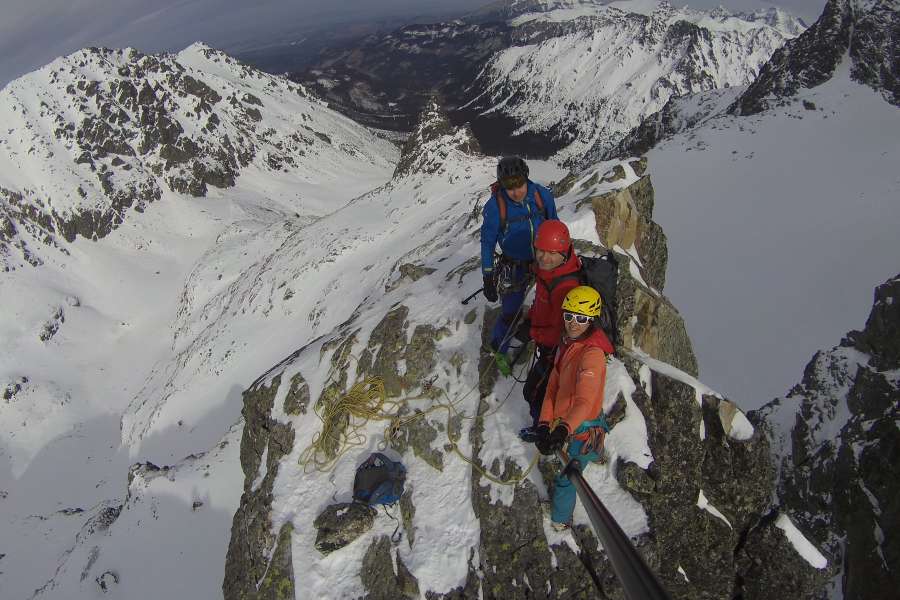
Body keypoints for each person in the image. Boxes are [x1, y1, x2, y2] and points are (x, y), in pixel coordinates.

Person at [534, 286, 614, 531]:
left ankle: (560, 521)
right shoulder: (567, 344)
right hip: (567, 425)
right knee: (568, 474)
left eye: (581, 318)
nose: (573, 323)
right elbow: (553, 387)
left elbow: (584, 401)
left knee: (567, 480)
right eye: (569, 316)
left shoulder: (592, 355)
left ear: (592, 320)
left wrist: (562, 429)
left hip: (579, 431)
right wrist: (545, 424)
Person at [481, 156, 558, 353]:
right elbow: (487, 243)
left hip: (544, 261)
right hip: (514, 266)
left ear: (526, 178)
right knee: (510, 313)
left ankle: (543, 343)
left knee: (547, 305)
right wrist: (487, 276)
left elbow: (555, 226)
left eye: (519, 184)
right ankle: (500, 349)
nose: (516, 192)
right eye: (509, 187)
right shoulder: (495, 207)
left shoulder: (542, 196)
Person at [519, 220, 582, 440]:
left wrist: (532, 333)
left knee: (535, 393)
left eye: (552, 253)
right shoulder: (548, 273)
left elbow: (562, 333)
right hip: (547, 347)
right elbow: (541, 304)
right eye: (541, 251)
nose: (544, 258)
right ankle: (544, 425)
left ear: (564, 253)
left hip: (557, 353)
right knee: (537, 392)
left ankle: (543, 430)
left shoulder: (566, 287)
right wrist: (530, 320)